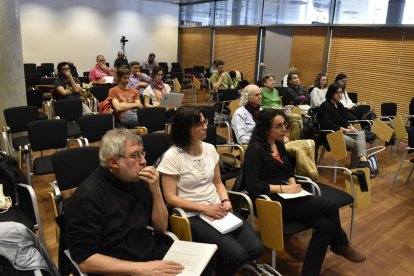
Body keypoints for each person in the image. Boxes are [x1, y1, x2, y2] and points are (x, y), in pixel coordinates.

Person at [244, 108, 366, 276]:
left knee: (326, 226)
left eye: (284, 125)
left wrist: (293, 184)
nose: (284, 129)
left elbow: (288, 170)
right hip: (270, 202)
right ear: (266, 128)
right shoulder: (255, 149)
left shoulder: (279, 144)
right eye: (278, 126)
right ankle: (340, 244)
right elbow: (252, 186)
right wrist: (285, 188)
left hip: (289, 195)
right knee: (330, 205)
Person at [158, 106, 264, 276]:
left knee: (256, 248)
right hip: (192, 215)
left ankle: (220, 265)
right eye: (199, 124)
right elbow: (170, 198)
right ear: (186, 129)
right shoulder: (172, 156)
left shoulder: (209, 149)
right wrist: (205, 209)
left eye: (205, 122)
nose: (205, 126)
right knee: (236, 254)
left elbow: (218, 183)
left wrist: (225, 201)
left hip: (217, 208)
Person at [65, 128, 184, 276]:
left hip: (145, 251)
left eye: (142, 153)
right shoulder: (87, 198)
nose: (144, 161)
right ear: (114, 162)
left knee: (207, 262)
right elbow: (86, 260)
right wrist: (141, 268)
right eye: (135, 155)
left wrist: (156, 191)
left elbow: (161, 227)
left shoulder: (138, 179)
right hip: (118, 266)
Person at [319, 83, 371, 169]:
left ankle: (362, 162)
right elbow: (327, 124)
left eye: (341, 92)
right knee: (357, 144)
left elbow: (344, 120)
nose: (340, 95)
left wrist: (349, 126)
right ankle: (357, 168)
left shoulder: (339, 105)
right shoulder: (325, 106)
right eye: (337, 93)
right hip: (331, 134)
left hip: (342, 132)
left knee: (361, 134)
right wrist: (344, 129)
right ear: (331, 93)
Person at [232, 83, 301, 144]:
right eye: (257, 95)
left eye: (260, 94)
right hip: (253, 147)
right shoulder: (239, 113)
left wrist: (279, 136)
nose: (260, 97)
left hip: (266, 144)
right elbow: (242, 140)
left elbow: (270, 130)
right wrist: (266, 138)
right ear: (248, 97)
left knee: (296, 123)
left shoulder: (261, 110)